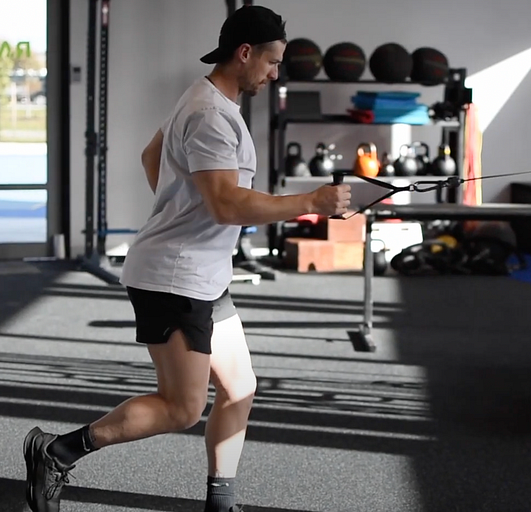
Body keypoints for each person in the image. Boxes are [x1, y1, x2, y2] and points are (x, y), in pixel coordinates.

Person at [21, 5, 351, 512]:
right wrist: (310, 203)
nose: (275, 73)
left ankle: (220, 504)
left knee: (240, 387)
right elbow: (225, 205)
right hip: (174, 280)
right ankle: (58, 451)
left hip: (202, 274)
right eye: (272, 62)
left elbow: (152, 155)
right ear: (245, 53)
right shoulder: (210, 114)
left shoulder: (207, 98)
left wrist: (180, 212)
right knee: (182, 408)